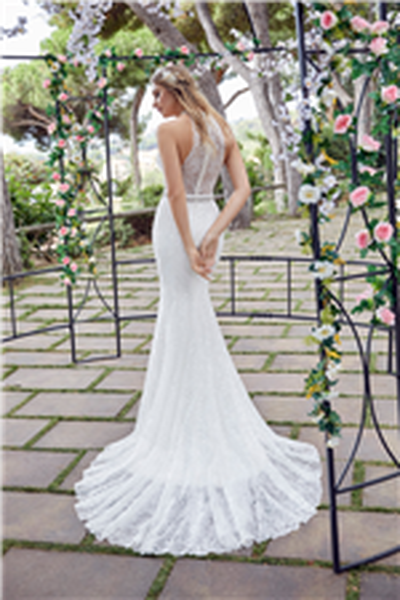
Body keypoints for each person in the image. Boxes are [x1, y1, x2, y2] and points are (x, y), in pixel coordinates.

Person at [74, 63, 322, 556]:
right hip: (210, 219)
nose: (154, 104)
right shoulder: (220, 129)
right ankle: (196, 414)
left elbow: (173, 193)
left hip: (179, 227)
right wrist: (214, 234)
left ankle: (180, 429)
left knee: (181, 314)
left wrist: (190, 244)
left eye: (158, 94)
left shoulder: (171, 130)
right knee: (191, 316)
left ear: (174, 92)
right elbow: (243, 193)